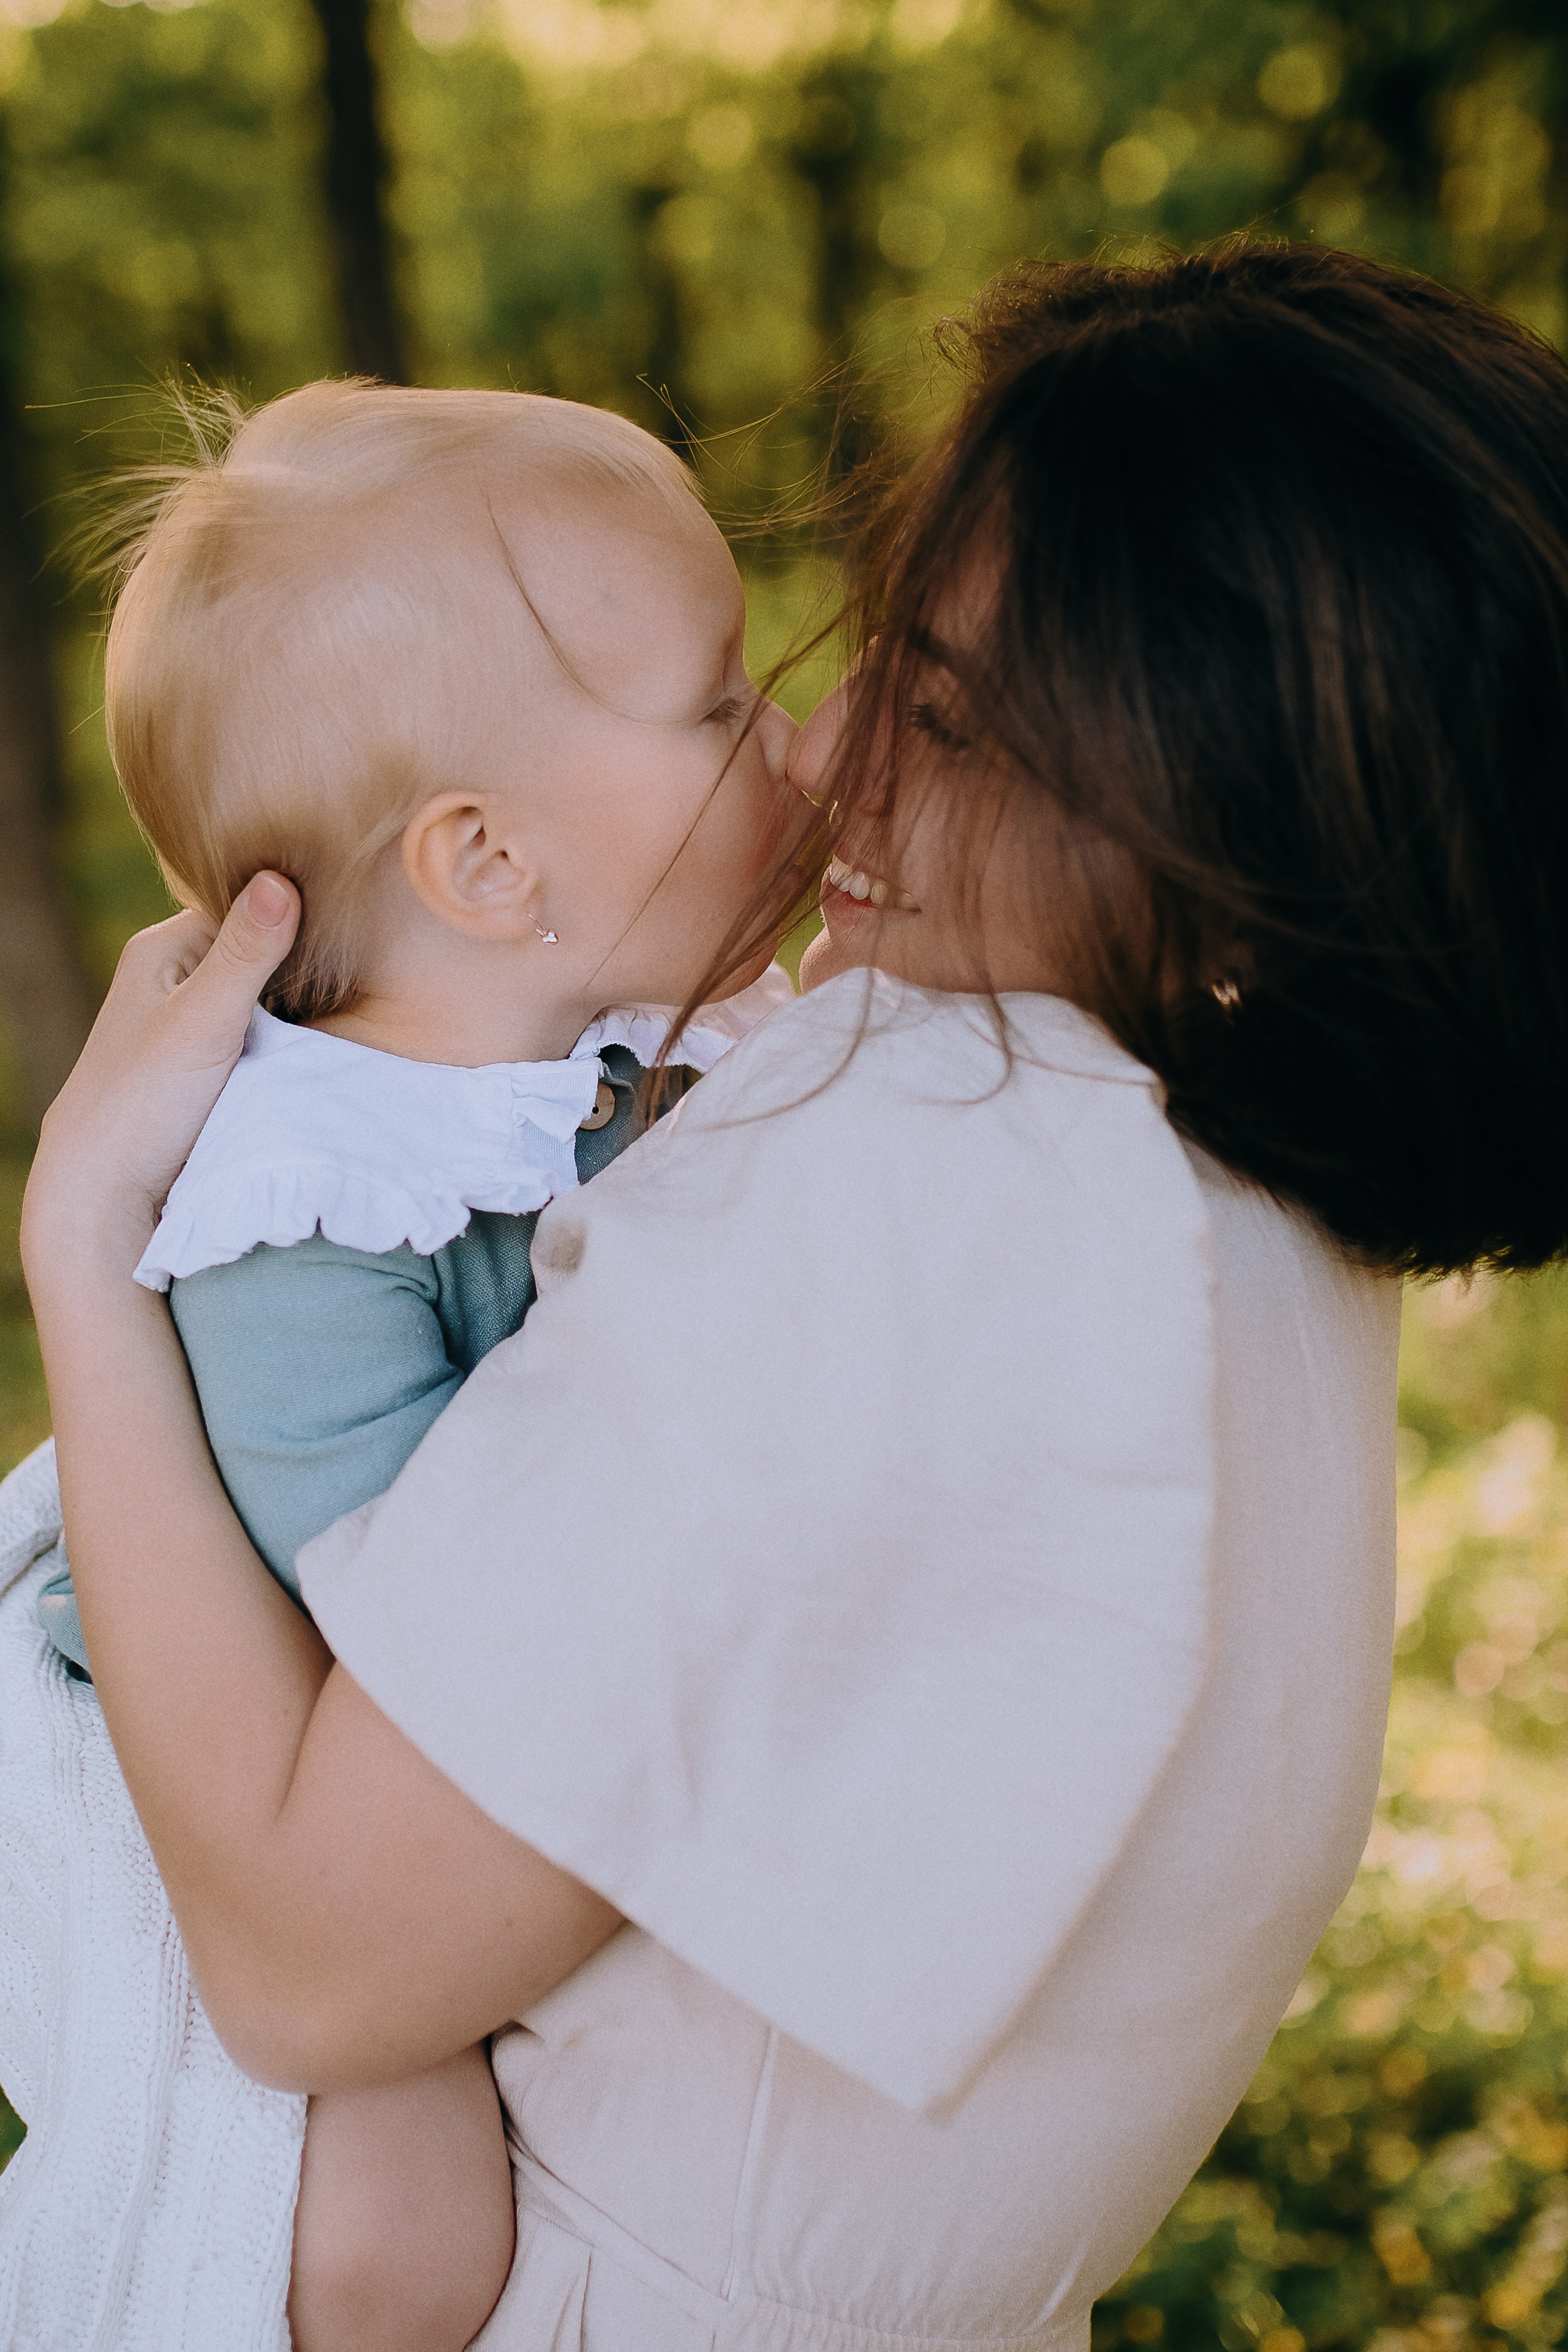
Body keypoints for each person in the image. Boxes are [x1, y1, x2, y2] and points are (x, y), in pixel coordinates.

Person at [19, 239, 1568, 2350]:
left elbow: (306, 1964)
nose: (829, 750)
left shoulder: (924, 1158)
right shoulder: (1243, 1201)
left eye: (946, 715)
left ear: (1229, 844)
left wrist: (85, 1250)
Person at [24, 379, 795, 2352]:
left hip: (455, 1712)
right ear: (488, 866)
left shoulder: (611, 1059)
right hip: (229, 1731)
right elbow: (364, 1589)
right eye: (720, 706)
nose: (788, 735)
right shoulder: (308, 1201)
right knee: (392, 2240)